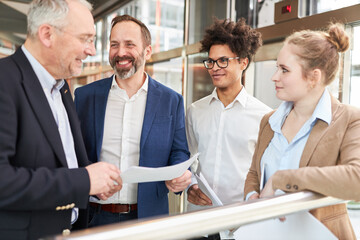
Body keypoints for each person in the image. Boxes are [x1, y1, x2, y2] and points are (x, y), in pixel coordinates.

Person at [0, 0, 123, 239]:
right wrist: (84, 181)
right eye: (85, 39)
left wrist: (94, 186)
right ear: (47, 34)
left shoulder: (62, 88)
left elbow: (61, 160)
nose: (91, 50)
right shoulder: (4, 81)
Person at [244, 23, 360, 239]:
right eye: (277, 67)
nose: (274, 77)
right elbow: (254, 173)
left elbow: (357, 179)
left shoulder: (349, 120)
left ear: (314, 77)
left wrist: (281, 179)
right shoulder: (270, 120)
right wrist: (252, 196)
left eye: (284, 70)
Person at [74, 15, 191, 226]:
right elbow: (72, 151)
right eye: (114, 45)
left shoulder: (171, 100)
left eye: (130, 45)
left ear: (147, 51)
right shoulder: (84, 97)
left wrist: (181, 175)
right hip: (94, 217)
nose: (120, 53)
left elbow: (179, 152)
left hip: (148, 218)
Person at [185, 18, 271, 239]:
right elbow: (187, 159)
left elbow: (268, 173)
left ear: (243, 62)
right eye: (211, 62)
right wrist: (190, 186)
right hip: (200, 223)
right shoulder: (195, 110)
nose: (214, 68)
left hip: (242, 226)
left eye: (223, 61)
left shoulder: (264, 116)